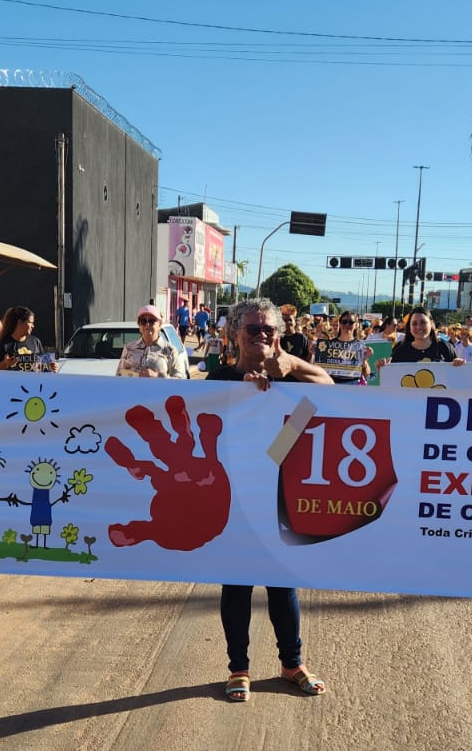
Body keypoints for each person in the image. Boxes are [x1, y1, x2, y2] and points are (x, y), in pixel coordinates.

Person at [208, 297, 331, 702]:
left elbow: (329, 392)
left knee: (283, 584)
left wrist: (293, 368)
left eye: (269, 330)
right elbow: (203, 426)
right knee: (237, 583)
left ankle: (292, 664)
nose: (261, 336)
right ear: (234, 335)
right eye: (252, 329)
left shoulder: (293, 373)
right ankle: (238, 669)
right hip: (234, 494)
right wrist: (238, 398)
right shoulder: (218, 377)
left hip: (281, 493)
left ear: (279, 336)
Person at [117, 304, 189, 378]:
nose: (147, 325)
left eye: (151, 321)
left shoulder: (170, 350)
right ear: (139, 325)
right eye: (143, 321)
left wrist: (158, 376)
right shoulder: (129, 348)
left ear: (160, 324)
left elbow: (180, 379)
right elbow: (119, 375)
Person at [384, 309, 466, 372]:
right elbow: (391, 380)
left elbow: (456, 379)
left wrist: (461, 367)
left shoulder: (445, 348)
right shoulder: (400, 350)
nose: (419, 327)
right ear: (410, 327)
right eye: (414, 323)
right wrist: (382, 369)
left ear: (431, 323)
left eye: (423, 322)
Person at [0, 306, 58, 372]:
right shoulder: (5, 344)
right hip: (14, 382)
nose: (33, 326)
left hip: (33, 382)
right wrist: (5, 364)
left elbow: (43, 366)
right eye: (30, 322)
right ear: (20, 322)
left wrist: (51, 367)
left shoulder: (35, 341)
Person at [314, 311, 371, 384]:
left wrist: (364, 361)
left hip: (353, 384)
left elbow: (367, 374)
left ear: (356, 325)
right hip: (332, 383)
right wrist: (313, 354)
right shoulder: (329, 344)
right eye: (344, 322)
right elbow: (319, 368)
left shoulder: (360, 346)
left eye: (351, 322)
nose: (347, 325)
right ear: (340, 324)